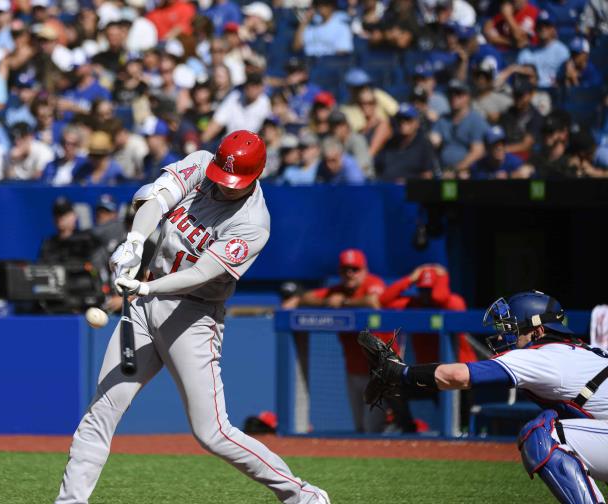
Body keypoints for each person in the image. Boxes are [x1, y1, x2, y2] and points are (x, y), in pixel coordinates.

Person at [56, 130, 330, 504]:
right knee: (103, 408)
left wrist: (147, 289)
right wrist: (134, 243)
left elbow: (203, 273)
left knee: (212, 432)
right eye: (222, 175)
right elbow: (155, 199)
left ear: (256, 176)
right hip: (144, 302)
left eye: (234, 183)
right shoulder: (203, 165)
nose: (224, 186)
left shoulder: (253, 223)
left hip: (193, 316)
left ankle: (304, 496)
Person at [360, 291, 607, 503]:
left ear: (537, 331)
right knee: (559, 420)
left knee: (544, 434)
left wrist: (401, 372)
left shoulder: (542, 355)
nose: (501, 337)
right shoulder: (586, 352)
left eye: (511, 330)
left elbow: (456, 376)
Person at [281, 249, 400, 433]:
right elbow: (306, 298)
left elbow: (374, 301)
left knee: (372, 428)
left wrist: (343, 302)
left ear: (364, 270)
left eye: (354, 269)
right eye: (345, 270)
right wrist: (327, 301)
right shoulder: (336, 290)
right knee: (360, 427)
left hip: (380, 370)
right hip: (353, 370)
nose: (349, 274)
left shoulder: (372, 283)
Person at [431, 79, 488, 178]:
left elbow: (477, 152)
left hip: (467, 172)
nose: (454, 97)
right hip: (443, 171)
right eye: (451, 93)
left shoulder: (476, 120)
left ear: (468, 96)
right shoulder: (443, 119)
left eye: (458, 93)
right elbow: (433, 142)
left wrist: (455, 169)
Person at [376, 103, 438, 182]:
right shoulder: (390, 144)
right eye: (400, 119)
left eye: (407, 119)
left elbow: (428, 176)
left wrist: (408, 182)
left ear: (416, 123)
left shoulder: (424, 145)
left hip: (411, 191)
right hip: (386, 189)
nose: (403, 123)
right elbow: (377, 168)